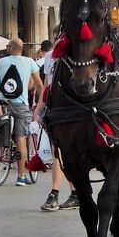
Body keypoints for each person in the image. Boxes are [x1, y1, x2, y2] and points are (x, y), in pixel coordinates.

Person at [34, 31, 78, 212]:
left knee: (62, 154)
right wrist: (37, 110)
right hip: (54, 109)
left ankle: (60, 194)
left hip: (70, 110)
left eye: (61, 35)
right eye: (56, 36)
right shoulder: (50, 57)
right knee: (59, 153)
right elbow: (46, 85)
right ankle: (68, 193)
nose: (58, 39)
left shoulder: (76, 55)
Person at [0, 38, 43, 186]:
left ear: (10, 48)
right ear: (22, 48)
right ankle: (21, 176)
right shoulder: (29, 62)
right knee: (21, 136)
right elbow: (40, 84)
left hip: (3, 104)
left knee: (1, 132)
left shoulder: (1, 62)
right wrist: (39, 100)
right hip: (21, 105)